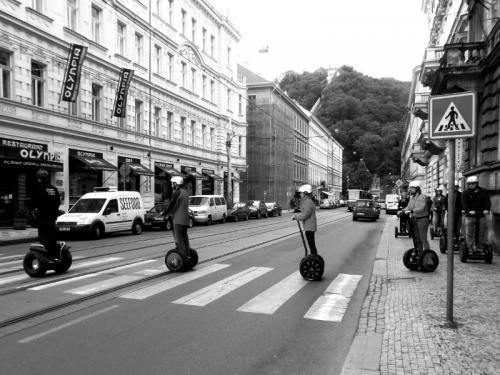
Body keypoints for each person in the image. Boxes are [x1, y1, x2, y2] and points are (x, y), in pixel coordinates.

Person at [30, 169, 60, 259]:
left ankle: (47, 257)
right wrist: (54, 212)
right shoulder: (53, 188)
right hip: (52, 218)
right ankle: (55, 256)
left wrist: (32, 211)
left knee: (44, 238)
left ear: (38, 178)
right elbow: (58, 202)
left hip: (42, 217)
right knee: (52, 237)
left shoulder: (38, 187)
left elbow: (34, 202)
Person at [461, 175, 491, 253]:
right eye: (469, 184)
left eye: (473, 183)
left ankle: (480, 247)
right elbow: (464, 203)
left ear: (477, 183)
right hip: (470, 215)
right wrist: (469, 210)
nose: (471, 185)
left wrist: (487, 209)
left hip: (481, 214)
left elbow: (487, 201)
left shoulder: (484, 191)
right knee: (470, 232)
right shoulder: (465, 193)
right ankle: (470, 248)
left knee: (482, 232)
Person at [164, 176, 191, 258]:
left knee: (179, 240)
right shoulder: (185, 192)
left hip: (177, 220)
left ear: (176, 184)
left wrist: (164, 213)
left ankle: (183, 257)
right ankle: (188, 254)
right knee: (185, 238)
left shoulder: (177, 193)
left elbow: (172, 205)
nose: (172, 185)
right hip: (185, 220)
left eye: (172, 183)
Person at [402, 180, 431, 253]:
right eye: (410, 188)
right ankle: (420, 253)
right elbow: (409, 207)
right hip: (415, 219)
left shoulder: (422, 197)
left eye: (412, 188)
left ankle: (427, 256)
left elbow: (422, 208)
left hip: (422, 219)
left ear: (417, 188)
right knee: (416, 238)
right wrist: (402, 210)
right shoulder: (412, 197)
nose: (410, 189)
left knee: (423, 238)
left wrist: (412, 211)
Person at [292, 184, 318, 255]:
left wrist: (296, 217)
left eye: (301, 193)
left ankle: (314, 258)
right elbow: (304, 213)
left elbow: (305, 215)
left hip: (309, 227)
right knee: (311, 245)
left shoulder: (307, 202)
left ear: (305, 193)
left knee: (311, 245)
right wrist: (297, 216)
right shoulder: (307, 201)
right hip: (309, 227)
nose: (300, 194)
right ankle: (313, 257)